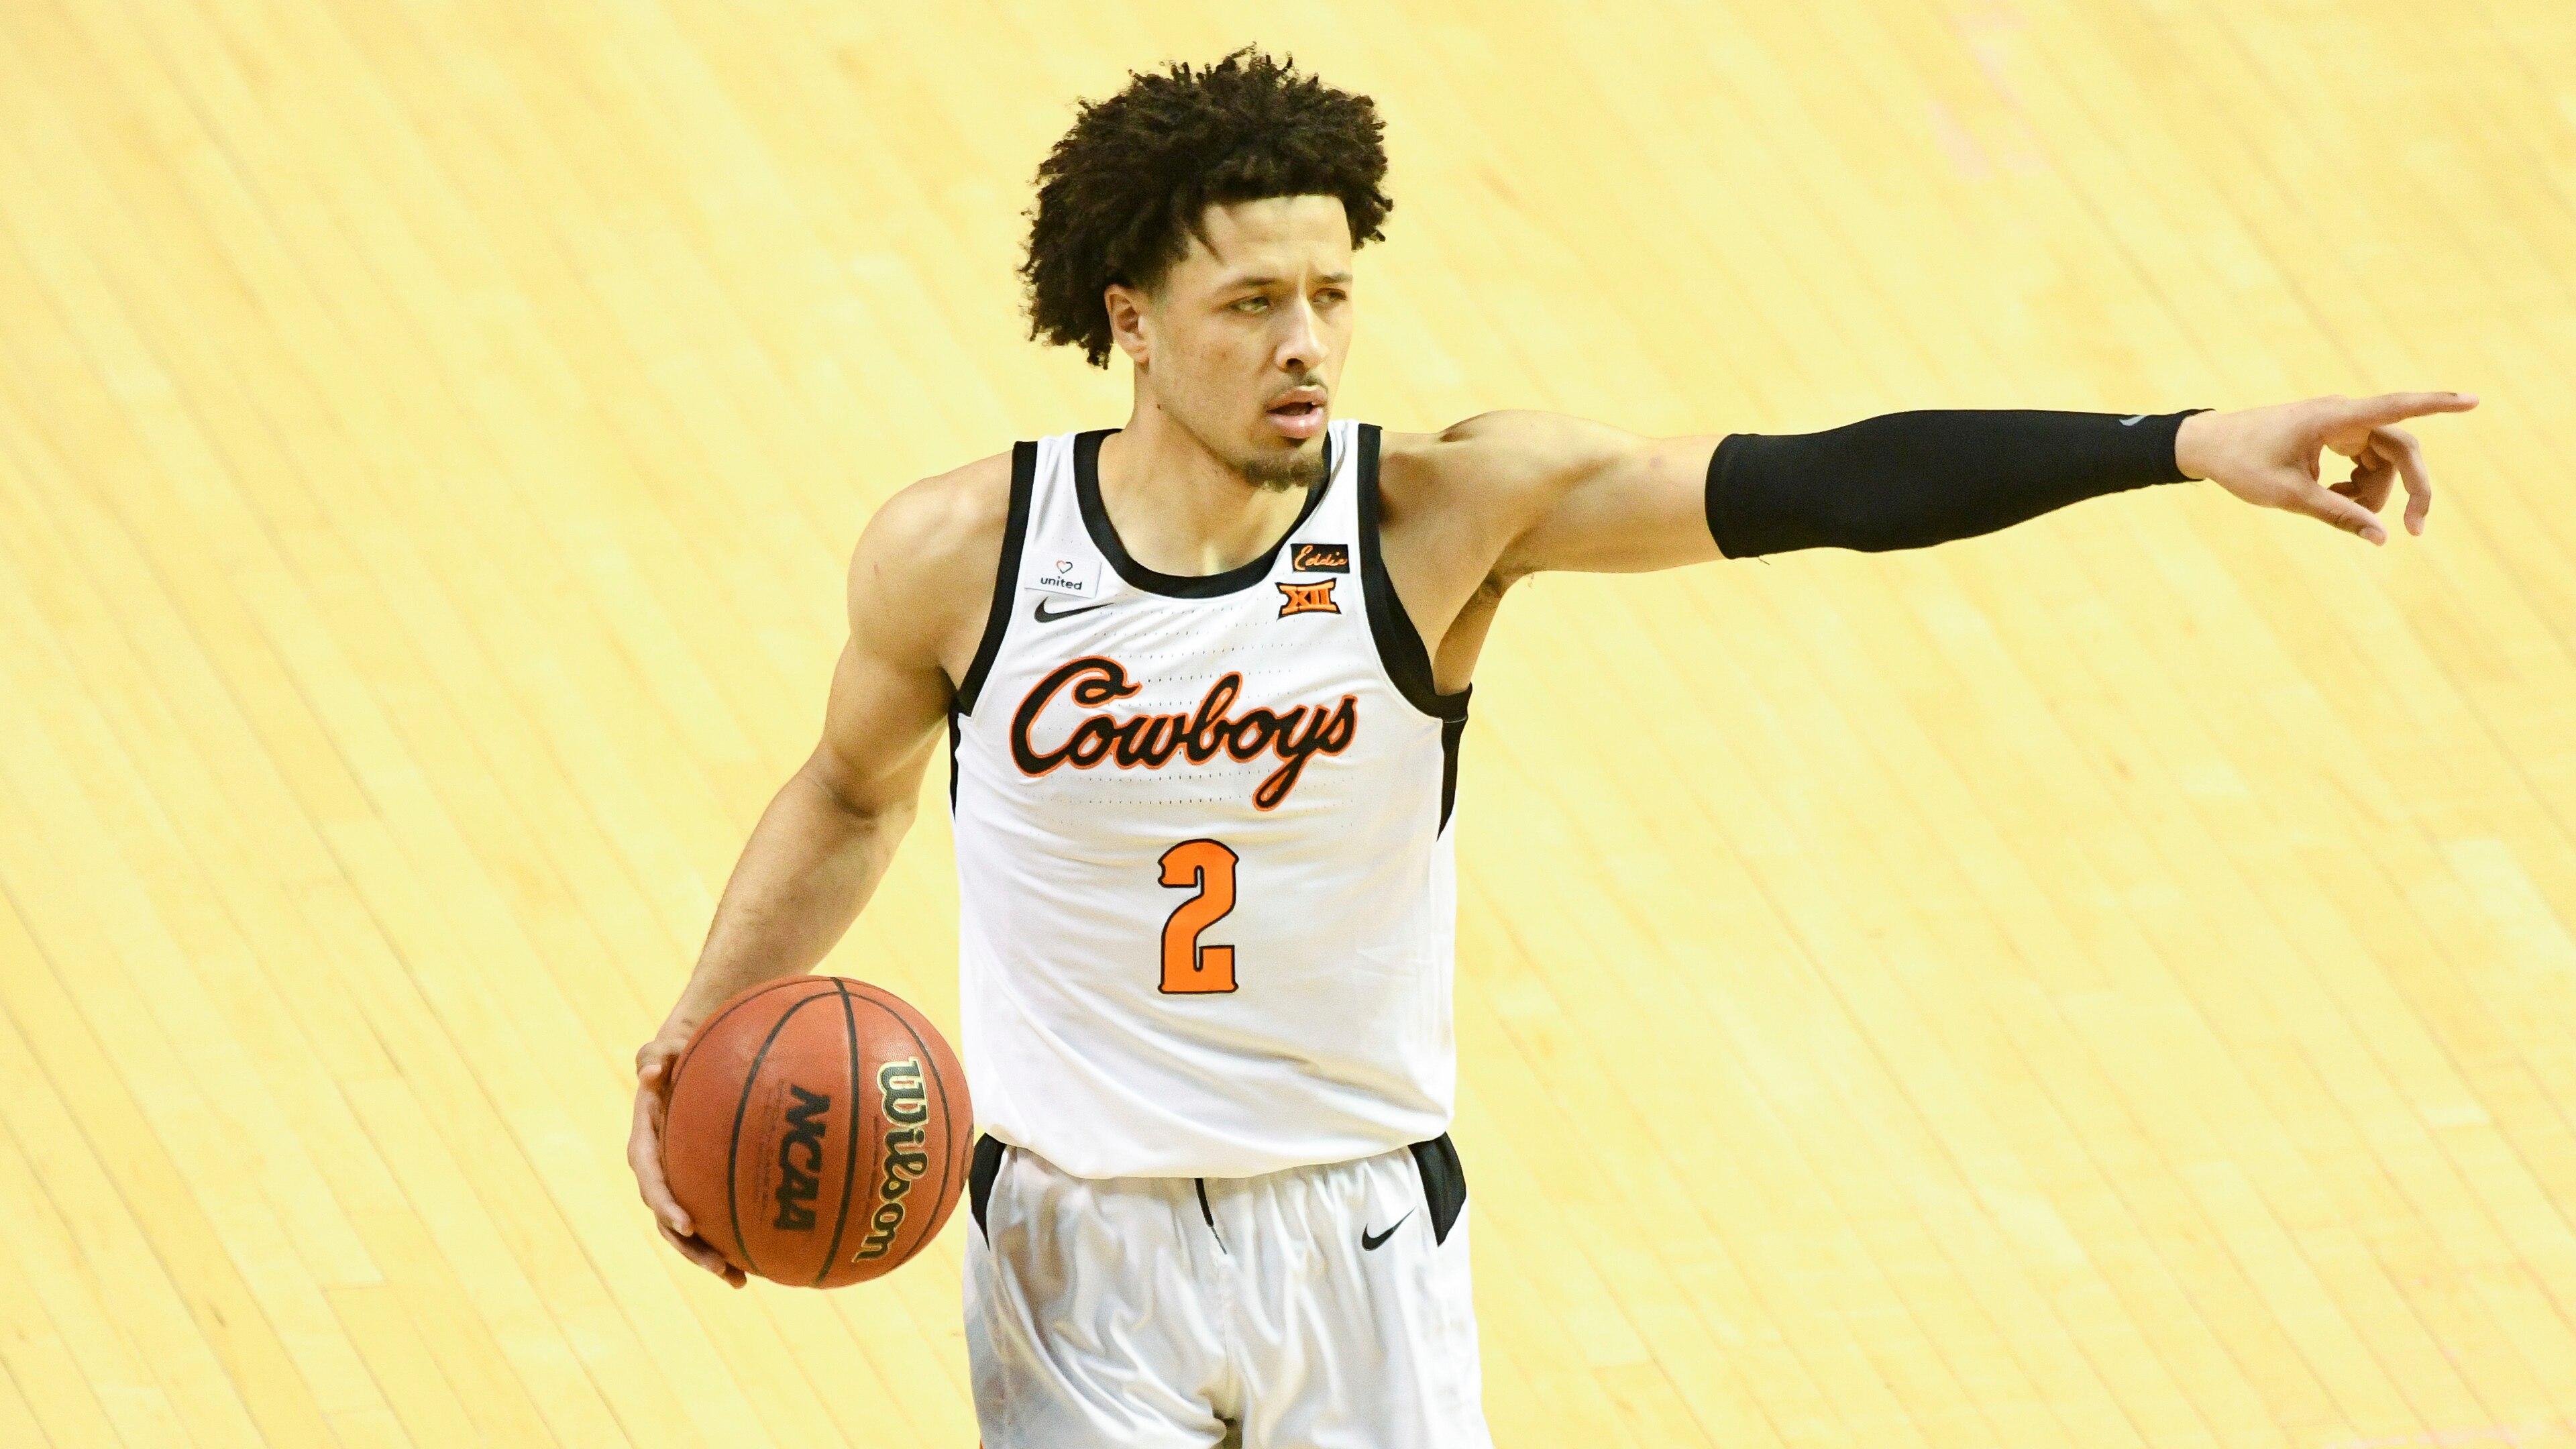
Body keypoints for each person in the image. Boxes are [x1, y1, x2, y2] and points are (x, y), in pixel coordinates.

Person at [625, 48, 2473, 1448]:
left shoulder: (1446, 514)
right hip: (1069, 1254)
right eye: (1253, 303)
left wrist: (2172, 438)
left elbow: (1822, 484)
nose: (1309, 345)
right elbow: (854, 791)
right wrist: (697, 1031)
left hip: (1359, 1233)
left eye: (1333, 294)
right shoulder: (964, 554)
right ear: (1129, 321)